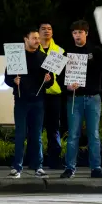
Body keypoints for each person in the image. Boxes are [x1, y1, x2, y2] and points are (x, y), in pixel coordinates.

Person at [59, 20, 102, 179]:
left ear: (86, 33)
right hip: (74, 98)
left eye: (80, 32)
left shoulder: (94, 50)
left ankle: (96, 168)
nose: (77, 35)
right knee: (73, 135)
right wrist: (67, 86)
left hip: (93, 98)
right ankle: (70, 168)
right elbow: (59, 74)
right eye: (75, 33)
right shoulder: (67, 52)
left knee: (94, 134)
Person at [4, 28, 53, 179]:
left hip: (38, 101)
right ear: (26, 39)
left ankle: (38, 166)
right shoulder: (16, 56)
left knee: (37, 135)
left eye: (38, 38)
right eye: (34, 38)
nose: (37, 41)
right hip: (21, 100)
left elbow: (51, 81)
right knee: (20, 134)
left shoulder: (44, 57)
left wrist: (48, 80)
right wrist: (14, 81)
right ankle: (17, 167)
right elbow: (7, 78)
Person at [37, 21, 65, 169]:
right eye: (43, 29)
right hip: (38, 93)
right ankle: (36, 159)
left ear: (52, 32)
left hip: (54, 94)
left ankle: (54, 158)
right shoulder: (35, 49)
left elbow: (62, 75)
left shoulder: (59, 50)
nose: (46, 31)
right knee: (37, 127)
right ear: (38, 32)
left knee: (54, 128)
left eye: (49, 29)